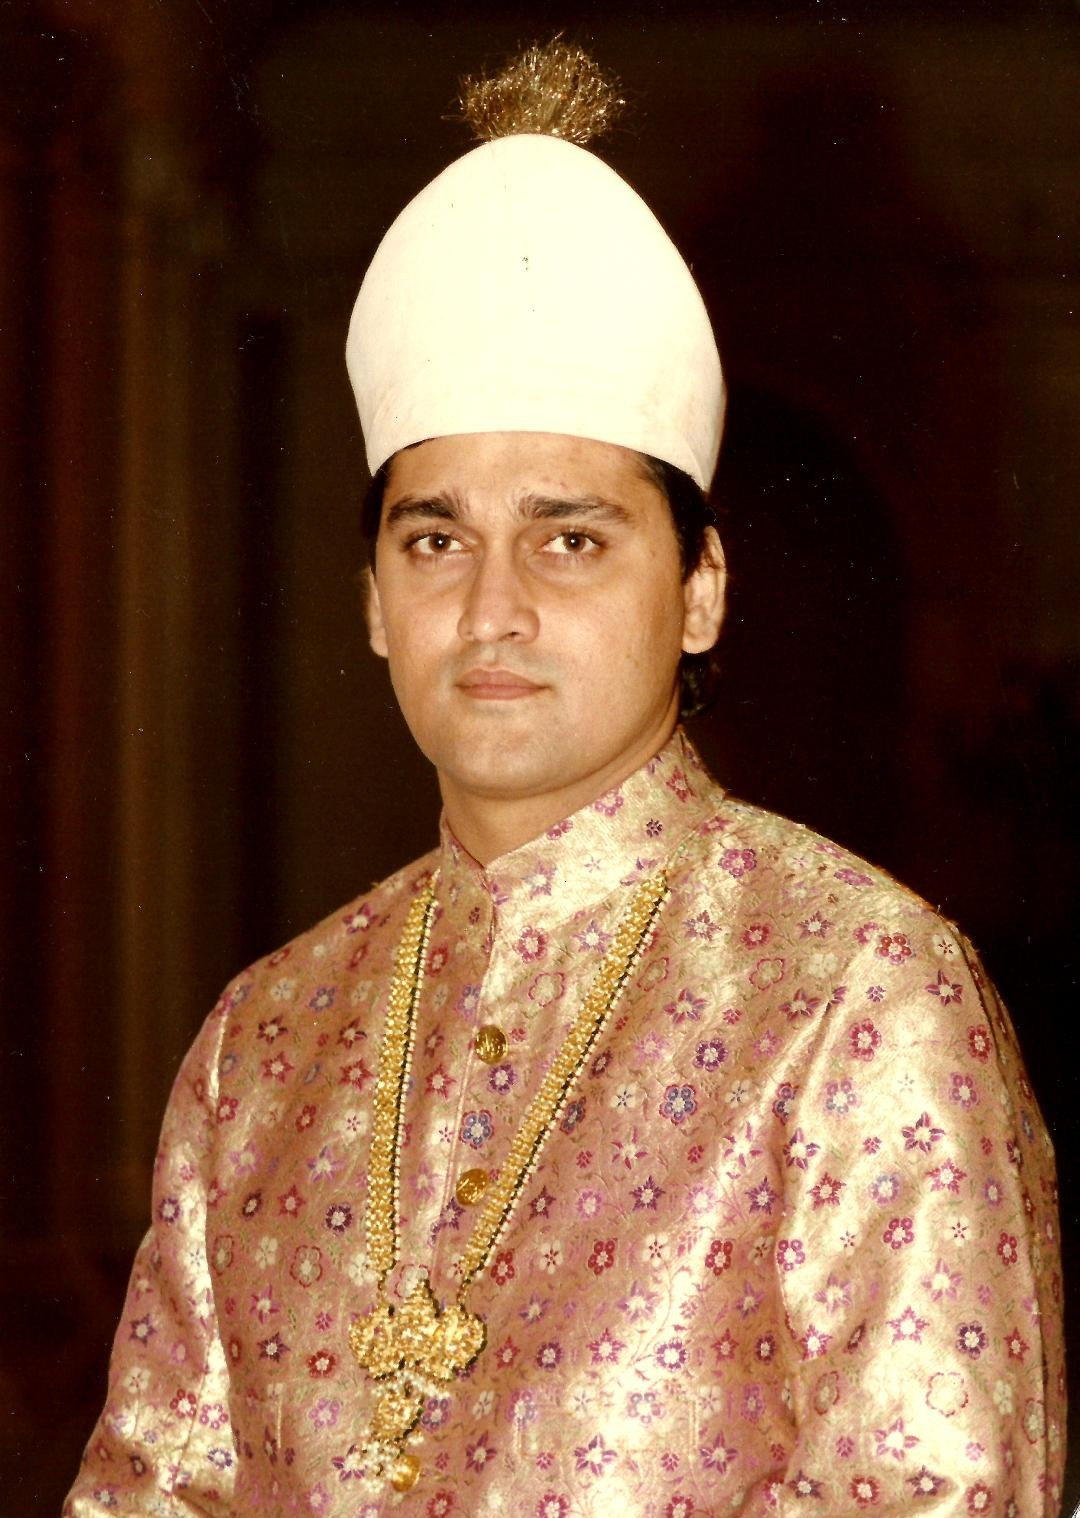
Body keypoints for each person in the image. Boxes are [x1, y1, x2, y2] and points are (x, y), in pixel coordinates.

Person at [65, 42, 1064, 1518]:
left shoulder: (862, 997)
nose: (492, 611)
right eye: (436, 539)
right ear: (372, 600)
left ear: (701, 588)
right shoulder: (260, 1046)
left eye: (571, 538)